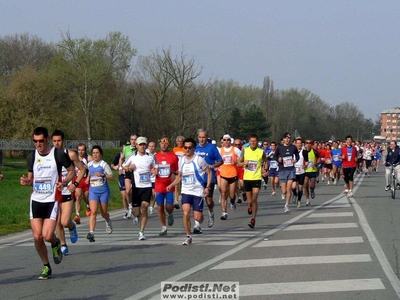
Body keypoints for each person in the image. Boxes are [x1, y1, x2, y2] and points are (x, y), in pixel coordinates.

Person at [20, 126, 75, 280]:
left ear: (47, 139)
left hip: (52, 200)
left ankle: (55, 242)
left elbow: (71, 171)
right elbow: (31, 179)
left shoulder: (57, 155)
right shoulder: (31, 157)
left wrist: (64, 182)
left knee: (47, 235)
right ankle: (46, 266)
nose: (38, 144)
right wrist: (27, 181)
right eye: (35, 141)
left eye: (41, 140)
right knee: (37, 236)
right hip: (36, 200)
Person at [167, 137, 211, 245]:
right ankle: (188, 236)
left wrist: (207, 187)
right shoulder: (181, 160)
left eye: (189, 147)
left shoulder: (199, 160)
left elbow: (209, 173)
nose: (187, 149)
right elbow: (180, 176)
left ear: (194, 148)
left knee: (197, 217)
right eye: (185, 147)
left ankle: (201, 217)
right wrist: (172, 185)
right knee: (186, 213)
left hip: (197, 192)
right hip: (186, 191)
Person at [51, 130, 85, 255]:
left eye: (59, 141)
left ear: (63, 140)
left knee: (65, 221)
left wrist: (75, 184)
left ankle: (71, 227)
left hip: (66, 191)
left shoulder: (70, 154)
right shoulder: (49, 155)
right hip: (53, 193)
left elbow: (82, 169)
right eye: (54, 141)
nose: (56, 143)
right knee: (56, 221)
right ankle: (63, 244)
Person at [123, 136, 157, 240]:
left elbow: (156, 167)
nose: (142, 146)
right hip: (136, 187)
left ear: (146, 145)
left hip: (147, 186)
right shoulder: (132, 156)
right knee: (137, 211)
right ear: (136, 146)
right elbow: (123, 166)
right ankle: (135, 215)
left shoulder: (150, 157)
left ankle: (141, 232)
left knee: (144, 207)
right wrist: (129, 168)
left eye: (144, 145)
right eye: (140, 145)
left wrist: (154, 171)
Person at [195, 129, 223, 231]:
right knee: (197, 200)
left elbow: (220, 161)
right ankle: (197, 224)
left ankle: (211, 212)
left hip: (209, 178)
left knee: (209, 200)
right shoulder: (195, 148)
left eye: (204, 137)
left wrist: (213, 165)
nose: (202, 139)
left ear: (207, 138)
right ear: (198, 137)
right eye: (200, 137)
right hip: (197, 179)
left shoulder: (212, 148)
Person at [237, 133, 268, 228]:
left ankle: (253, 219)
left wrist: (265, 170)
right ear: (249, 142)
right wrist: (243, 163)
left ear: (257, 142)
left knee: (254, 199)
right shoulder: (245, 151)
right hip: (247, 178)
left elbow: (266, 161)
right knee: (250, 200)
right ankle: (249, 205)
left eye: (254, 141)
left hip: (257, 178)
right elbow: (238, 163)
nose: (253, 143)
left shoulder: (260, 151)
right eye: (251, 141)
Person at [86, 145, 115, 242]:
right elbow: (89, 172)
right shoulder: (89, 164)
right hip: (93, 191)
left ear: (101, 154)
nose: (95, 155)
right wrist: (87, 179)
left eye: (97, 153)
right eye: (93, 153)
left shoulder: (104, 164)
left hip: (103, 191)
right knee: (93, 211)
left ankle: (108, 221)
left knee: (103, 213)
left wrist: (103, 175)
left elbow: (112, 177)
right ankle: (91, 233)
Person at [154, 137, 179, 235]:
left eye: (165, 144)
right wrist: (153, 171)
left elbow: (177, 170)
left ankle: (170, 213)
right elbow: (151, 168)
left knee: (169, 207)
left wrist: (175, 175)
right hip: (159, 185)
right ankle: (163, 227)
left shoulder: (173, 156)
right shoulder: (155, 156)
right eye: (162, 143)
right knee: (160, 207)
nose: (163, 145)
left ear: (168, 145)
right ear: (159, 145)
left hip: (169, 186)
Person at [275, 132, 299, 213]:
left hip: (291, 169)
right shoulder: (279, 147)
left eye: (289, 138)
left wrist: (295, 160)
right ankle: (284, 194)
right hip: (282, 170)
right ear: (283, 139)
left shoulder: (293, 147)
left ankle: (286, 205)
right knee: (284, 190)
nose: (287, 139)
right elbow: (275, 156)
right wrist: (278, 159)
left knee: (289, 187)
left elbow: (297, 155)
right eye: (286, 138)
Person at [219, 134, 241, 220]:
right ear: (222, 141)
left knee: (232, 194)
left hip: (233, 174)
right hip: (223, 174)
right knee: (223, 193)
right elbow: (216, 159)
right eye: (224, 140)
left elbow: (242, 158)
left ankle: (232, 201)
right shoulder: (220, 150)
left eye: (228, 140)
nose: (226, 141)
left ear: (230, 141)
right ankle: (224, 212)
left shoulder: (235, 149)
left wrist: (236, 161)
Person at [118, 134, 138, 220]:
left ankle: (136, 207)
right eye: (132, 139)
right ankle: (130, 207)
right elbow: (121, 158)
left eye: (135, 139)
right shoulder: (126, 148)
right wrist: (120, 167)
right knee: (127, 191)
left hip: (137, 172)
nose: (133, 141)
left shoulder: (140, 148)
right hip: (128, 172)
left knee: (135, 191)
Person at [74, 143, 92, 224]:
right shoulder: (74, 158)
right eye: (79, 150)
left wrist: (88, 177)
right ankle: (77, 215)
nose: (81, 152)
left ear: (85, 150)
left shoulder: (88, 157)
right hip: (77, 179)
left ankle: (88, 205)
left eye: (82, 150)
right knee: (78, 197)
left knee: (86, 197)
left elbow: (93, 168)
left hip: (86, 179)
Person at [111, 152, 127, 219]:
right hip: (122, 176)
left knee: (130, 193)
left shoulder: (134, 153)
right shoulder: (120, 155)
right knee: (124, 195)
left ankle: (133, 207)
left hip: (131, 175)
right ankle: (127, 210)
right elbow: (112, 164)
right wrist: (115, 167)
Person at [292, 137, 306, 208]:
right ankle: (295, 194)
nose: (299, 145)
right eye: (297, 143)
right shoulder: (292, 151)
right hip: (294, 171)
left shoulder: (304, 151)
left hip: (301, 172)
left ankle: (299, 201)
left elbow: (307, 161)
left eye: (300, 143)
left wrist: (305, 164)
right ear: (295, 143)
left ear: (302, 144)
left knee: (300, 187)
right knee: (293, 187)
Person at [172, 136, 185, 209]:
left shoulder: (185, 149)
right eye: (179, 141)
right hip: (177, 170)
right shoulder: (174, 149)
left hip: (184, 170)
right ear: (177, 142)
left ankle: (184, 200)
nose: (180, 143)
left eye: (181, 141)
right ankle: (176, 201)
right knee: (176, 185)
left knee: (184, 185)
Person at [147, 141, 157, 214]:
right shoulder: (145, 154)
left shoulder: (156, 155)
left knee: (154, 194)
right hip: (146, 178)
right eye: (150, 146)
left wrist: (155, 170)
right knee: (148, 194)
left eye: (153, 146)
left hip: (154, 178)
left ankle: (151, 207)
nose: (151, 148)